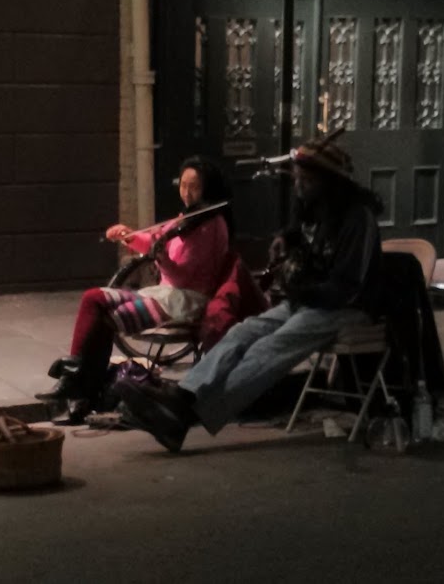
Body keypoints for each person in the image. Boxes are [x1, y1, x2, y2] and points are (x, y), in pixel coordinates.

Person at [115, 130, 385, 452]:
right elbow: (301, 233)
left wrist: (300, 292)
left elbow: (346, 285)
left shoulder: (358, 219)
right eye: (297, 179)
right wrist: (286, 238)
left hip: (345, 306)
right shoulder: (320, 208)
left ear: (330, 182)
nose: (299, 187)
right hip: (311, 299)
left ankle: (186, 416)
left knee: (270, 348)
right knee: (242, 332)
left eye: (307, 181)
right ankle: (183, 395)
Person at [35, 156, 232, 423]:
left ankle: (80, 392)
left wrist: (160, 257)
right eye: (183, 185)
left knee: (105, 321)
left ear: (208, 188)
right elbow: (153, 240)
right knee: (93, 298)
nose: (186, 193)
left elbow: (182, 274)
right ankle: (76, 381)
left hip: (186, 300)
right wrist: (129, 236)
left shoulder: (210, 225)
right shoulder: (185, 219)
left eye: (194, 187)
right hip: (166, 294)